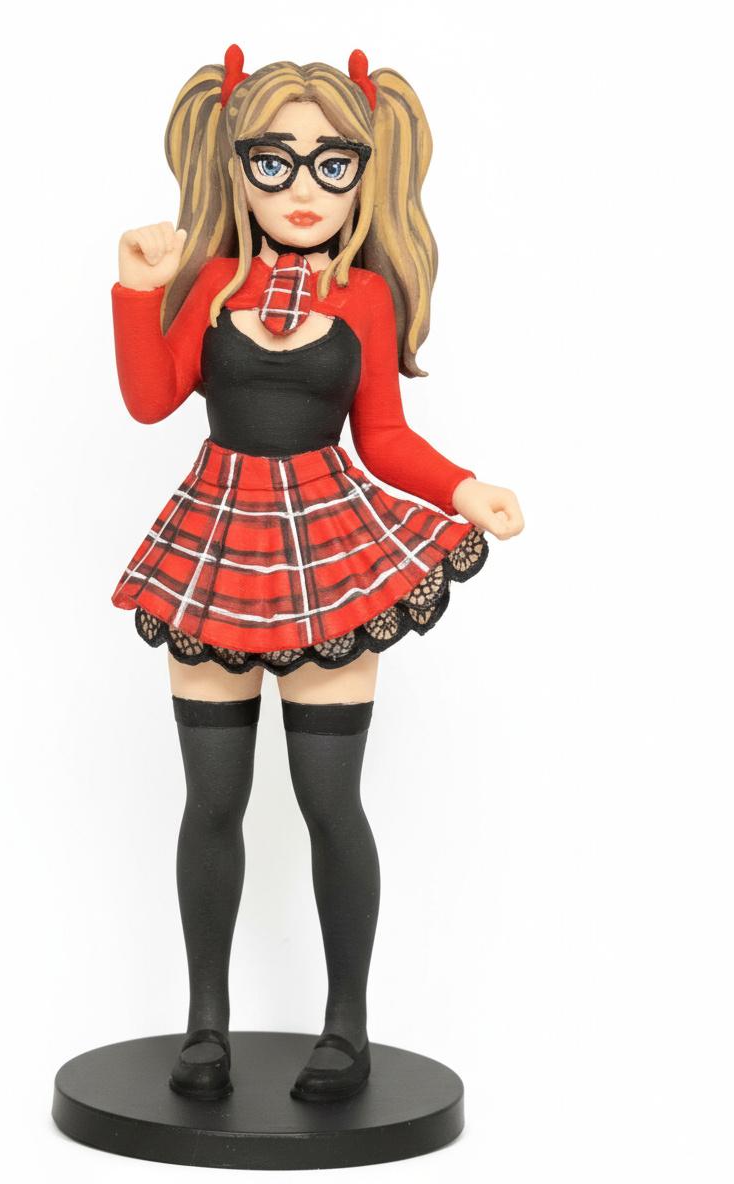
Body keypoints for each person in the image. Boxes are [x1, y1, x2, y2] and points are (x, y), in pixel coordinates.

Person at [110, 46, 524, 1103]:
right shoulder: (210, 284)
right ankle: (206, 1023)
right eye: (275, 161)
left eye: (333, 164)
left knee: (330, 798)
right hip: (215, 547)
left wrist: (462, 486)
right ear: (235, 166)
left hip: (329, 553)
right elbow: (152, 401)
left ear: (366, 174)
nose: (303, 188)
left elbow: (383, 437)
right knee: (213, 798)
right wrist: (139, 288)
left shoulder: (367, 300)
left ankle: (347, 1026)